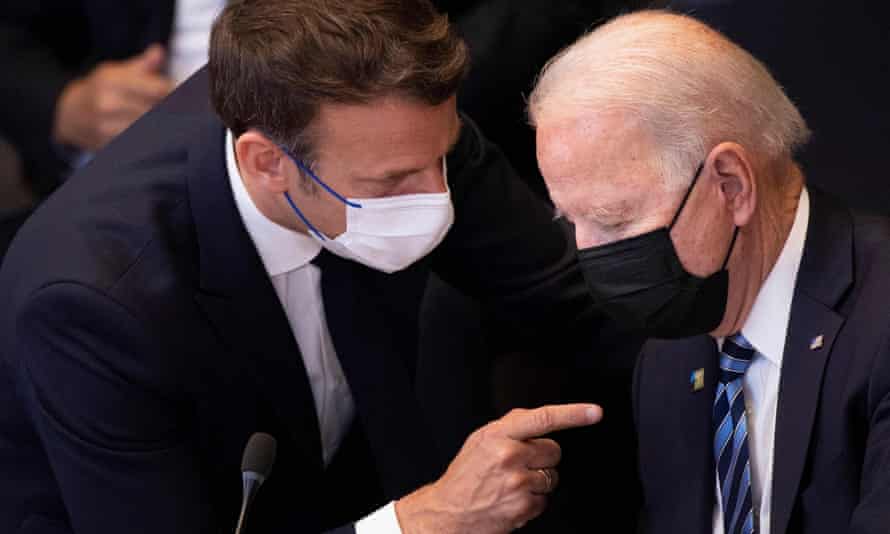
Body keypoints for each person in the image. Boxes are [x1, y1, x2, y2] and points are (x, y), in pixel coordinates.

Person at [0, 1, 629, 533]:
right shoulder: (93, 307)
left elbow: (580, 301)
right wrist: (425, 521)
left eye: (443, 158)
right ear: (266, 163)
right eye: (392, 183)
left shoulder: (398, 133)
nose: (434, 196)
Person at [529, 10, 890, 534]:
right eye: (572, 222)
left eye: (613, 220)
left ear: (731, 186)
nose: (588, 254)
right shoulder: (668, 358)